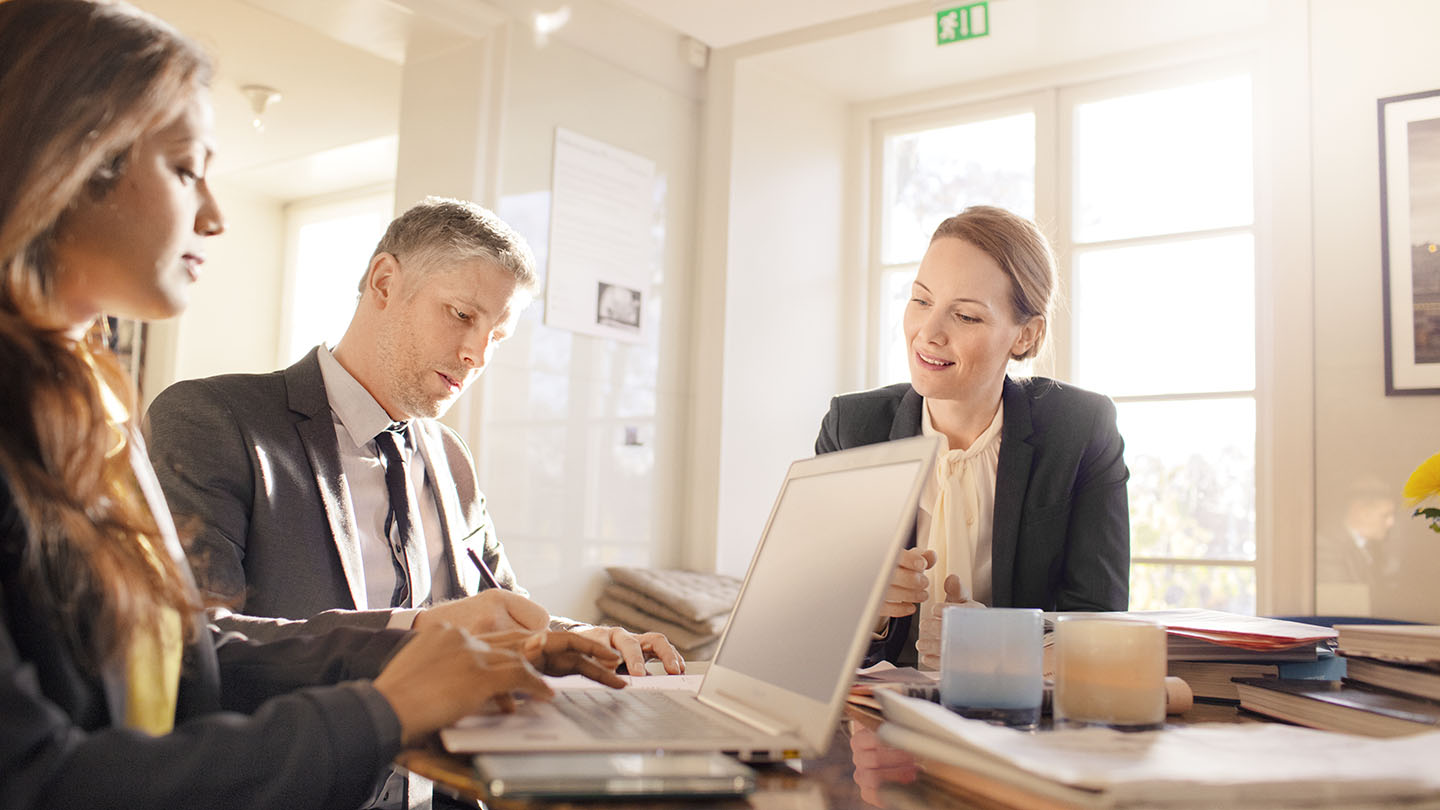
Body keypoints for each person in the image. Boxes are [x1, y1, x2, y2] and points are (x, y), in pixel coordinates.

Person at [0, 3, 625, 808]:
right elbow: (37, 778)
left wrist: (454, 637)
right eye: (187, 169)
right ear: (67, 161)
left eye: (496, 336)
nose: (216, 216)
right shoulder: (202, 420)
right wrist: (384, 710)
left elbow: (190, 653)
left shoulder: (89, 408)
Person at [144, 195, 683, 676]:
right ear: (384, 282)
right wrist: (419, 632)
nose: (477, 355)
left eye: (497, 336)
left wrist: (582, 639)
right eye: (462, 314)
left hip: (465, 755)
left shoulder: (452, 457)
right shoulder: (213, 420)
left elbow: (502, 607)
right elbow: (194, 640)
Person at [814, 206, 1129, 668]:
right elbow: (807, 622)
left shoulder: (1081, 430)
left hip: (1017, 707)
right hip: (876, 707)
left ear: (1025, 335)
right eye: (921, 300)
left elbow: (1101, 620)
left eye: (964, 316)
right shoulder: (852, 430)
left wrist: (1002, 642)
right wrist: (868, 609)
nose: (928, 333)